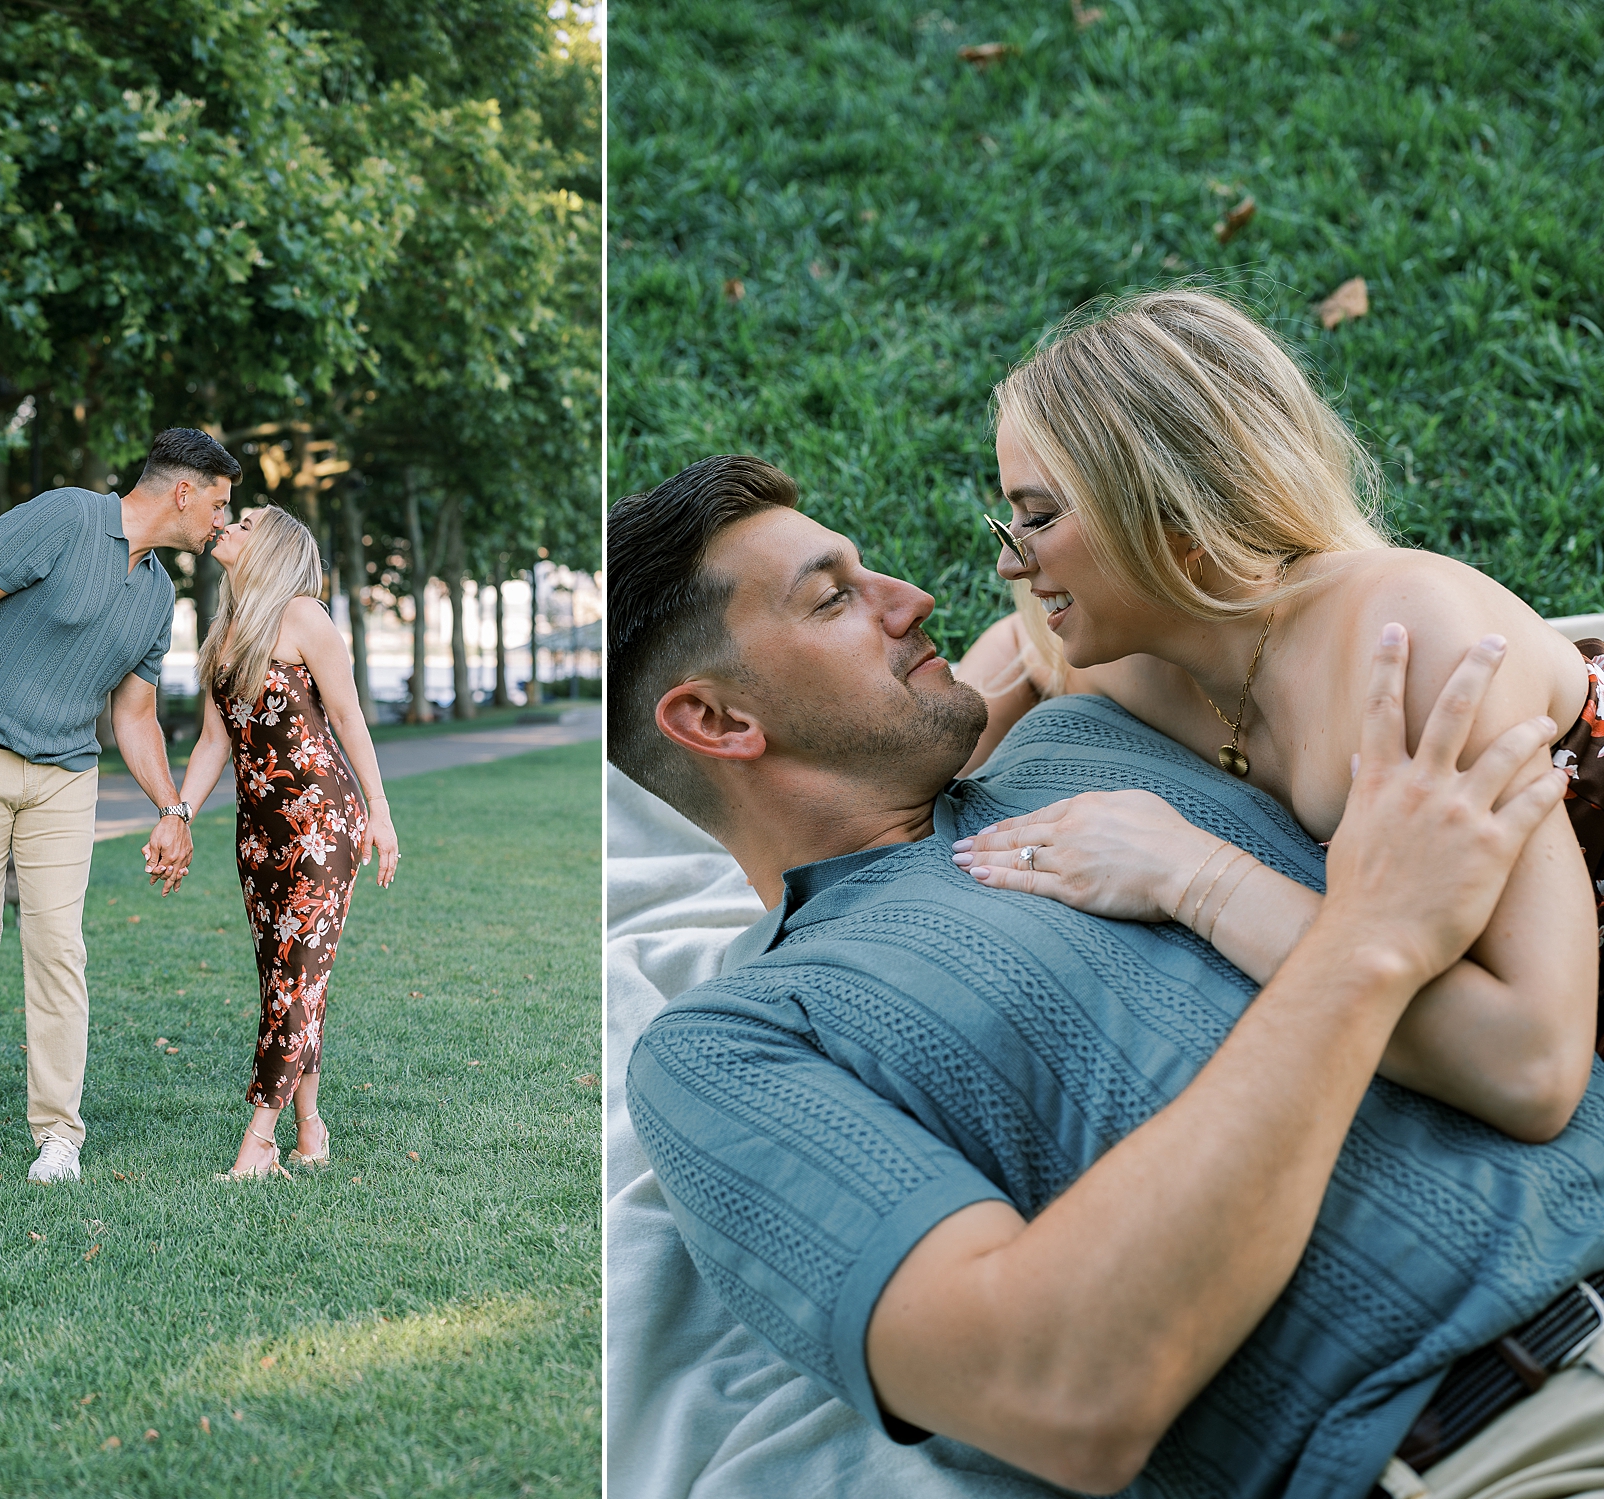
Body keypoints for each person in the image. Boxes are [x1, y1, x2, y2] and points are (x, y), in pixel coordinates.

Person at [609, 455, 1604, 1499]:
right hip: (1503, 1444)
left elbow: (1118, 632)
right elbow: (1057, 1387)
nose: (910, 599)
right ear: (716, 722)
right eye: (832, 598)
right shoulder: (731, 1044)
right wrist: (1362, 939)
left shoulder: (1088, 729)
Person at [950, 291, 1599, 1127]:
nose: (1013, 561)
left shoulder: (1414, 652)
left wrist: (1191, 875)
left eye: (1037, 516)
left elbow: (1534, 1066)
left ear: (1175, 514)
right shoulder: (1128, 655)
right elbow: (1012, 659)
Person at [0, 427, 239, 1183]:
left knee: (59, 945)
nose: (222, 522)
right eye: (220, 504)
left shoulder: (159, 594)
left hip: (67, 777)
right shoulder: (67, 518)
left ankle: (58, 1132)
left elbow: (132, 717)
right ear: (184, 492)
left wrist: (173, 807)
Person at [169, 505, 399, 1180]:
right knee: (287, 981)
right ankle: (310, 1131)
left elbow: (350, 719)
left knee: (293, 984)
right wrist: (180, 812)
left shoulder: (305, 617)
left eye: (244, 522)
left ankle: (258, 1143)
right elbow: (214, 741)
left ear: (270, 546)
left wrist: (379, 814)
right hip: (257, 833)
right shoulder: (223, 633)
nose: (228, 526)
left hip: (322, 825)